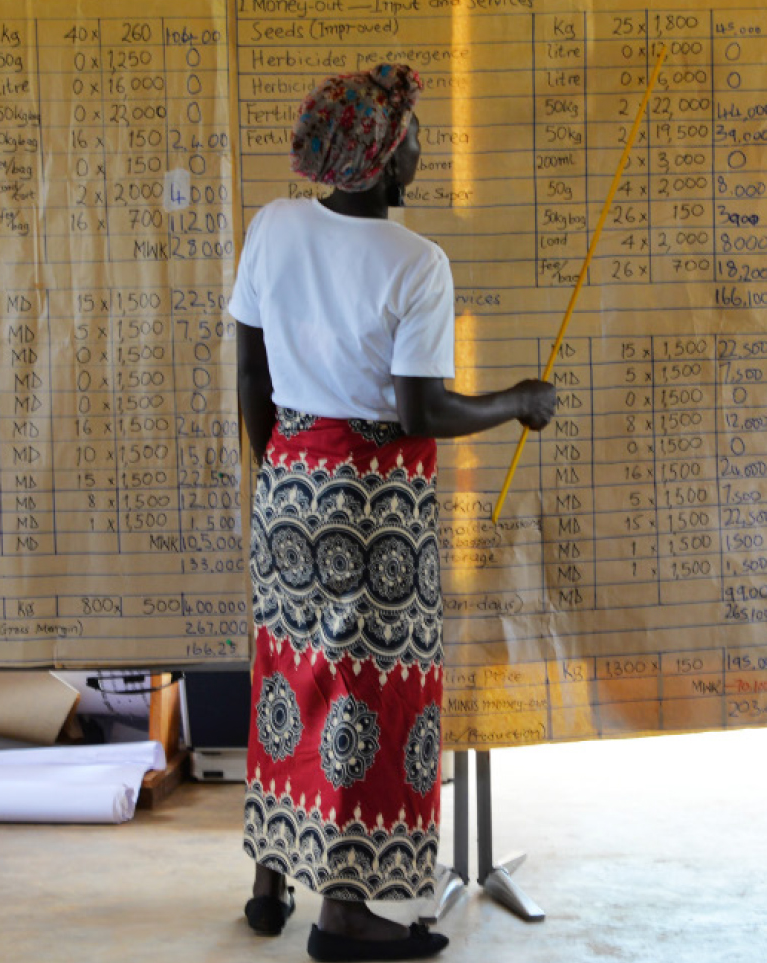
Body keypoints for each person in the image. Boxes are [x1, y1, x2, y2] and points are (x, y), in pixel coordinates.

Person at [230, 64, 556, 962]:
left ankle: (270, 882)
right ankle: (342, 914)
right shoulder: (416, 263)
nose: (422, 144)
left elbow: (252, 374)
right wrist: (519, 399)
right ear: (379, 159)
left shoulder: (271, 227)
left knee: (290, 674)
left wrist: (282, 475)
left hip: (289, 482)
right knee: (362, 693)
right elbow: (422, 413)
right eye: (411, 133)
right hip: (374, 506)